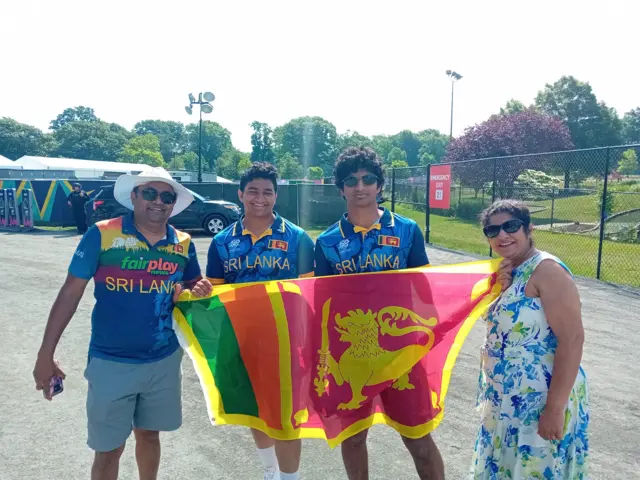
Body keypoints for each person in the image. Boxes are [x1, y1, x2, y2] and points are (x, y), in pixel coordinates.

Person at [32, 167, 212, 480]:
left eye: (167, 196)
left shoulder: (183, 243)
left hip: (163, 361)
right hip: (111, 361)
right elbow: (71, 291)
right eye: (150, 193)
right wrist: (45, 352)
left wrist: (198, 289)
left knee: (150, 435)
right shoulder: (102, 234)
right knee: (109, 450)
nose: (159, 201)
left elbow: (190, 286)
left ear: (173, 203)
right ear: (134, 196)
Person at [313, 146, 445, 480]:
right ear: (340, 187)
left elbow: (423, 289)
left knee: (419, 440)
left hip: (400, 355)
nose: (360, 186)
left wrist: (432, 333)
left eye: (368, 179)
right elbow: (323, 304)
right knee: (353, 437)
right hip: (352, 354)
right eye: (351, 180)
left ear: (379, 184)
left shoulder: (407, 230)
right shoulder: (327, 242)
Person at [206, 162, 315, 480]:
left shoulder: (298, 239)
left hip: (285, 344)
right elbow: (214, 294)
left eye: (267, 192)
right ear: (240, 194)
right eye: (252, 191)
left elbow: (310, 296)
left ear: (276, 196)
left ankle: (289, 478)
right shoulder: (222, 242)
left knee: (286, 418)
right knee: (254, 412)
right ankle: (270, 471)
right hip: (241, 342)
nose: (259, 198)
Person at [470, 199, 589, 479]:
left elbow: (572, 340)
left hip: (538, 401)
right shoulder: (511, 270)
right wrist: (501, 288)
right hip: (507, 402)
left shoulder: (547, 270)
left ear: (528, 228)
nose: (502, 235)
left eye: (510, 226)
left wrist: (554, 408)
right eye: (492, 230)